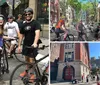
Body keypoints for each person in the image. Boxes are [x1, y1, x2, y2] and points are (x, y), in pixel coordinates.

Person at [18, 7, 41, 83]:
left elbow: (37, 33)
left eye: (29, 14)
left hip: (33, 45)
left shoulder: (36, 23)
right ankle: (27, 71)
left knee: (32, 60)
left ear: (32, 14)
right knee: (27, 60)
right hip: (26, 45)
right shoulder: (23, 25)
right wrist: (19, 45)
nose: (27, 15)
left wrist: (35, 43)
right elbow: (21, 36)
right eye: (26, 14)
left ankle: (32, 74)